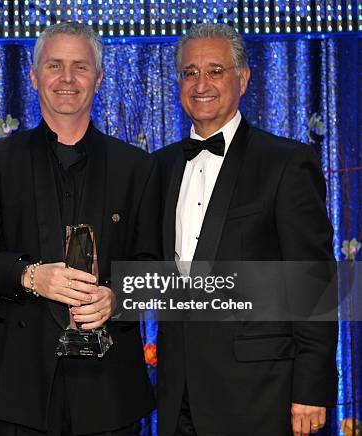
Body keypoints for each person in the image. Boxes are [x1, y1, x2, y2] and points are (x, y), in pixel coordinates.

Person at [0, 22, 158, 436]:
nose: (67, 79)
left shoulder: (137, 168)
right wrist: (32, 276)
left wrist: (115, 297)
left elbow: (152, 264)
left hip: (110, 393)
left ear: (99, 78)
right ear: (34, 76)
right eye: (54, 65)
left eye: (80, 67)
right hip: (14, 389)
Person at [153, 23, 338, 436]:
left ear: (244, 79)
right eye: (190, 73)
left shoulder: (286, 163)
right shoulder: (160, 167)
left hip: (261, 396)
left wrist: (311, 388)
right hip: (176, 395)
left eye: (216, 71)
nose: (201, 84)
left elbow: (314, 281)